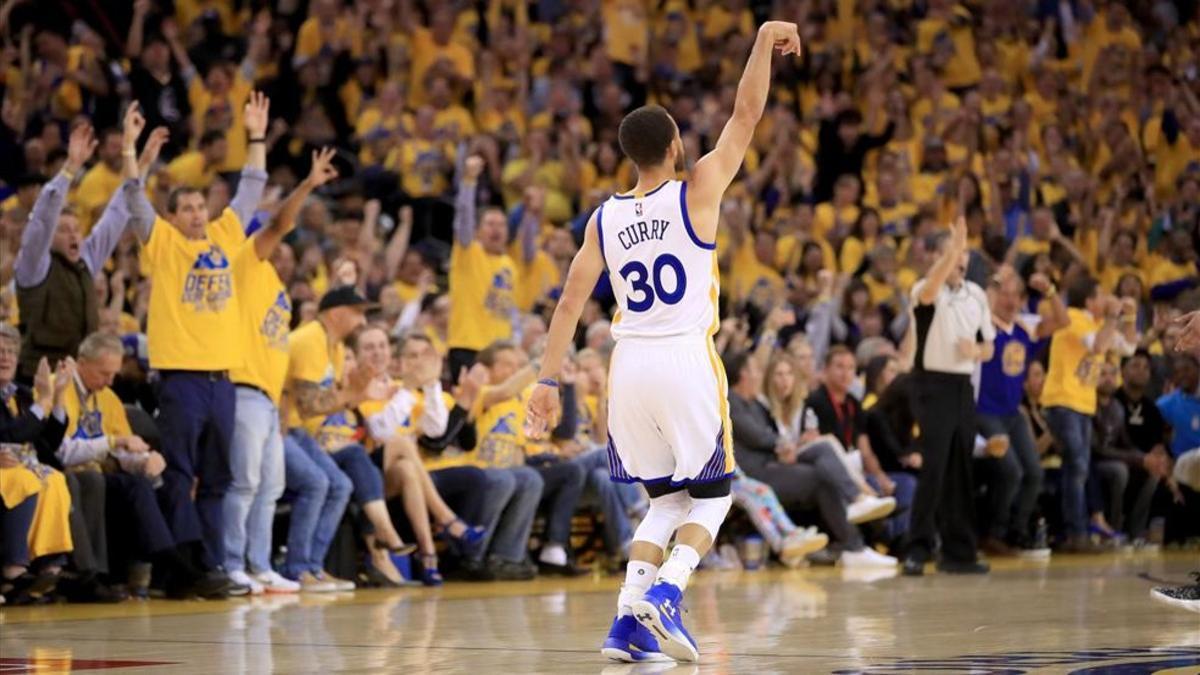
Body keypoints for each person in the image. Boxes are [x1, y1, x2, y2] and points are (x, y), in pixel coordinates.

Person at [526, 22, 803, 663]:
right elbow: (746, 113)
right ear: (676, 146)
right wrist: (762, 40)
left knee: (666, 501)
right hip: (683, 360)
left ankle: (627, 622)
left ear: (631, 156)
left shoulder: (605, 217)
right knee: (716, 495)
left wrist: (546, 380)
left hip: (628, 369)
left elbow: (569, 303)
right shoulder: (698, 190)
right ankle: (671, 594)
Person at [123, 95, 269, 580]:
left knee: (220, 480)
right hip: (182, 380)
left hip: (222, 380)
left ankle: (212, 564)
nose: (195, 214)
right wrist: (130, 150)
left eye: (198, 206)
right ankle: (182, 569)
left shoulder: (227, 235)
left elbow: (252, 187)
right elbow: (133, 199)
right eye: (185, 208)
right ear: (172, 216)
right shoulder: (162, 244)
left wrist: (256, 137)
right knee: (180, 474)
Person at [222, 148, 339, 595]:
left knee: (269, 485)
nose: (284, 253)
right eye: (277, 246)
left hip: (270, 399)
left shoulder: (278, 289)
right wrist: (307, 186)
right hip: (243, 389)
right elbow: (278, 224)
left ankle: (259, 565)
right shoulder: (245, 264)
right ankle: (233, 563)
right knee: (246, 482)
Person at [54, 332, 233, 599]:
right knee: (134, 487)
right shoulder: (59, 387)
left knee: (170, 480)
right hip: (71, 474)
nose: (109, 382)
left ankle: (184, 568)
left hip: (103, 473)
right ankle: (179, 568)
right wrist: (116, 442)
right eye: (104, 374)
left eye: (113, 374)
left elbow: (123, 449)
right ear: (82, 362)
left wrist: (145, 458)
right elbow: (63, 451)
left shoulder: (108, 398)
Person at [284, 286, 416, 588]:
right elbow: (308, 406)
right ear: (337, 313)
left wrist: (357, 394)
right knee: (319, 482)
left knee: (341, 485)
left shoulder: (335, 347)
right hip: (286, 425)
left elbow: (333, 400)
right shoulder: (309, 339)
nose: (361, 321)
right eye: (357, 313)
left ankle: (314, 568)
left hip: (299, 429)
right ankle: (297, 568)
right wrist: (353, 394)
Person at [12, 116, 159, 382]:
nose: (74, 235)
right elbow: (43, 221)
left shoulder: (85, 261)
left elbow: (117, 212)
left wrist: (142, 163)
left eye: (77, 229)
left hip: (80, 378)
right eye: (65, 229)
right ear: (50, 239)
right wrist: (70, 168)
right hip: (39, 379)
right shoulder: (34, 265)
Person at [727, 351, 893, 567]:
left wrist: (784, 446)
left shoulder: (753, 404)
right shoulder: (732, 400)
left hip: (772, 462)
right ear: (743, 374)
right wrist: (784, 445)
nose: (760, 374)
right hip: (756, 471)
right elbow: (755, 435)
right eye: (756, 370)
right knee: (820, 475)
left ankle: (855, 518)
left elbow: (764, 437)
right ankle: (854, 533)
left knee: (824, 449)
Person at [902, 219, 995, 577]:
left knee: (961, 468)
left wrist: (977, 351)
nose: (962, 259)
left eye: (965, 252)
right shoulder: (926, 289)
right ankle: (917, 548)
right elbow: (928, 293)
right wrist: (953, 247)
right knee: (934, 468)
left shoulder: (977, 294)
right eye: (955, 252)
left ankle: (959, 551)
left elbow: (989, 345)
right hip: (931, 386)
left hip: (962, 387)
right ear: (939, 257)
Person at [1041, 276, 1137, 553]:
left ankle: (1073, 532)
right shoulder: (1072, 318)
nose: (1107, 298)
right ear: (1090, 300)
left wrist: (1129, 316)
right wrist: (1112, 315)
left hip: (1082, 405)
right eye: (1102, 295)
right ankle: (1076, 532)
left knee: (1077, 468)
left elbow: (1128, 347)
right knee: (1078, 466)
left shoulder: (1097, 324)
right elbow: (1096, 346)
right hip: (1062, 402)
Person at [974, 269, 1067, 556]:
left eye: (1016, 294)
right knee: (1011, 472)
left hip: (1012, 412)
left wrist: (1050, 292)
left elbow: (1063, 321)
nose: (1010, 300)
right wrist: (993, 283)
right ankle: (993, 534)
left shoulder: (1025, 326)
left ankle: (1017, 530)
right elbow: (984, 308)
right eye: (1005, 294)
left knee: (1035, 472)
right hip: (984, 411)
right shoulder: (984, 324)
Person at [0, 323, 73, 604]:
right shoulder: (33, 399)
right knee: (25, 479)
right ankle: (13, 568)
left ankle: (49, 565)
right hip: (7, 470)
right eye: (0, 351)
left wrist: (57, 399)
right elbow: (10, 435)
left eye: (10, 352)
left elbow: (47, 444)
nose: (5, 357)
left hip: (15, 466)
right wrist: (42, 402)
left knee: (53, 478)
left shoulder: (22, 394)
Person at [446, 156, 518, 377]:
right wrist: (468, 182)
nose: (496, 229)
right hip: (468, 347)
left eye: (501, 224)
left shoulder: (509, 264)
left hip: (500, 351)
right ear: (478, 230)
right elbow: (464, 220)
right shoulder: (468, 251)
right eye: (489, 224)